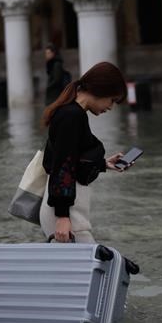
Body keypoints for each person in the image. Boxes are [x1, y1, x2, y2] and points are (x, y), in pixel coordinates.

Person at [40, 61, 131, 243]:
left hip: (67, 212)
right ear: (101, 90)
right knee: (93, 265)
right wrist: (63, 217)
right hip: (67, 216)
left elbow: (71, 160)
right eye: (112, 100)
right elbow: (62, 166)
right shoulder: (72, 115)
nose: (111, 107)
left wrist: (103, 164)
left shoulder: (72, 113)